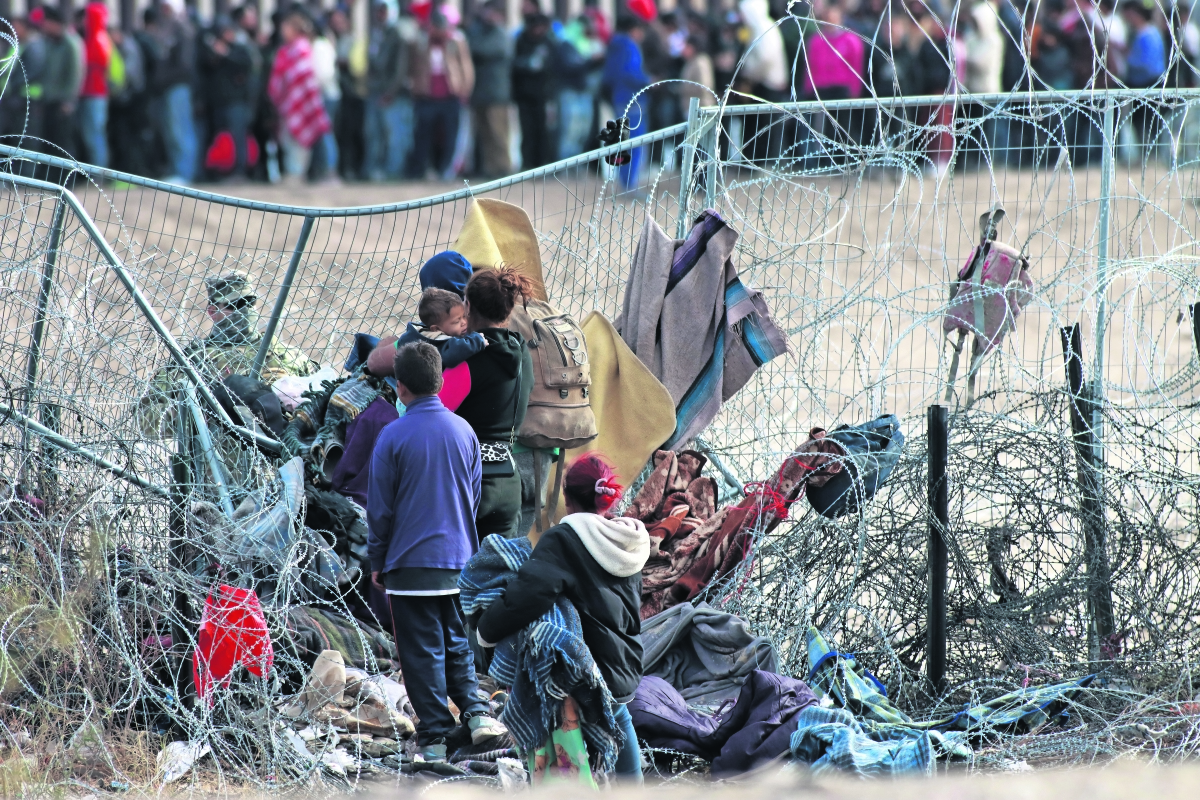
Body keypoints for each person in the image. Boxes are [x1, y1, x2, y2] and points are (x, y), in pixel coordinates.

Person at [367, 341, 508, 762]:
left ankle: (433, 738)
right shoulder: (464, 431)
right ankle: (478, 714)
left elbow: (381, 509)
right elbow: (474, 494)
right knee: (455, 642)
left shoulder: (392, 435)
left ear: (399, 386)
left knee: (420, 652)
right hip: (459, 561)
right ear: (441, 381)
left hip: (410, 564)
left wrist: (378, 560)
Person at [474, 453, 648, 783]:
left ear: (567, 497)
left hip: (584, 672)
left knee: (567, 737)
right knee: (620, 718)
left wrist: (486, 630)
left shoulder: (564, 540)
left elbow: (528, 596)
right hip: (625, 665)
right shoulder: (630, 543)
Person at [138, 271, 317, 433]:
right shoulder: (192, 360)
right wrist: (200, 414)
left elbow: (323, 405)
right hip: (214, 464)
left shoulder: (288, 355)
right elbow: (145, 421)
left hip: (278, 465)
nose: (244, 310)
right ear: (212, 311)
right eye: (235, 304)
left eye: (249, 302)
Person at [267, 10, 332, 186]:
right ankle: (291, 172)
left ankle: (297, 173)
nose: (283, 32)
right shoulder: (286, 49)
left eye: (286, 28)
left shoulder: (302, 48)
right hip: (288, 103)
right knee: (288, 139)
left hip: (302, 101)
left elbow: (303, 76)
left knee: (300, 140)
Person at [408, 9, 474, 179]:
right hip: (426, 96)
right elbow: (412, 67)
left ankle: (447, 170)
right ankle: (422, 170)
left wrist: (465, 89)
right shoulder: (421, 42)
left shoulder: (455, 42)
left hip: (450, 95)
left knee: (450, 135)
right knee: (423, 135)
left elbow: (465, 66)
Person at [201, 16, 257, 179]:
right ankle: (220, 171)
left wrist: (225, 53)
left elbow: (245, 66)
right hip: (218, 103)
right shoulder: (212, 50)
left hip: (237, 103)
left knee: (238, 138)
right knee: (220, 141)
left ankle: (239, 171)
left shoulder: (239, 50)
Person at [465, 0, 513, 178]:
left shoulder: (501, 34)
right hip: (480, 92)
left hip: (497, 93)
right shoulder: (478, 31)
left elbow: (486, 49)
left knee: (498, 133)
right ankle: (489, 168)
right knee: (484, 133)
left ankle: (503, 168)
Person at [365, 0, 411, 181]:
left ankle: (393, 172)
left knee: (394, 137)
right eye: (378, 11)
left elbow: (400, 68)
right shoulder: (375, 34)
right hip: (374, 92)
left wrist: (390, 92)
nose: (380, 14)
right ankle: (373, 170)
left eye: (384, 11)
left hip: (392, 95)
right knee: (373, 134)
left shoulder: (398, 35)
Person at [154, 0, 199, 184]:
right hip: (168, 89)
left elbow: (184, 65)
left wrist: (164, 79)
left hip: (179, 88)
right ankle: (176, 170)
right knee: (171, 131)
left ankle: (184, 173)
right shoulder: (167, 30)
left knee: (180, 130)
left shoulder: (183, 31)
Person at [602, 16, 650, 190]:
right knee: (634, 142)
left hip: (618, 98)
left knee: (622, 140)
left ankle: (623, 181)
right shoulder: (629, 47)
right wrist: (649, 80)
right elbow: (631, 73)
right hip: (633, 99)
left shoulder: (613, 45)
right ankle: (629, 184)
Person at [396, 287, 487, 370]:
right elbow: (452, 355)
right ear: (436, 329)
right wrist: (478, 340)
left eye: (464, 316)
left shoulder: (414, 334)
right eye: (456, 321)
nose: (464, 322)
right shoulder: (438, 341)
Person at [39, 6, 83, 164]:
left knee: (64, 143)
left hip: (63, 102)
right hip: (50, 99)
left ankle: (66, 178)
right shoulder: (51, 43)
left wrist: (69, 101)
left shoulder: (70, 43)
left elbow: (75, 74)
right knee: (51, 142)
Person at [511, 13, 555, 170]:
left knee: (543, 131)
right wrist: (527, 64)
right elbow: (514, 66)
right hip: (524, 95)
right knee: (527, 131)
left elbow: (553, 69)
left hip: (543, 96)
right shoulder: (521, 42)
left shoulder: (548, 43)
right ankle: (527, 164)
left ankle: (543, 164)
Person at [77, 2, 111, 169]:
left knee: (95, 135)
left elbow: (91, 64)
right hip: (90, 94)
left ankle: (98, 173)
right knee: (90, 134)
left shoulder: (97, 39)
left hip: (95, 94)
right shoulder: (94, 38)